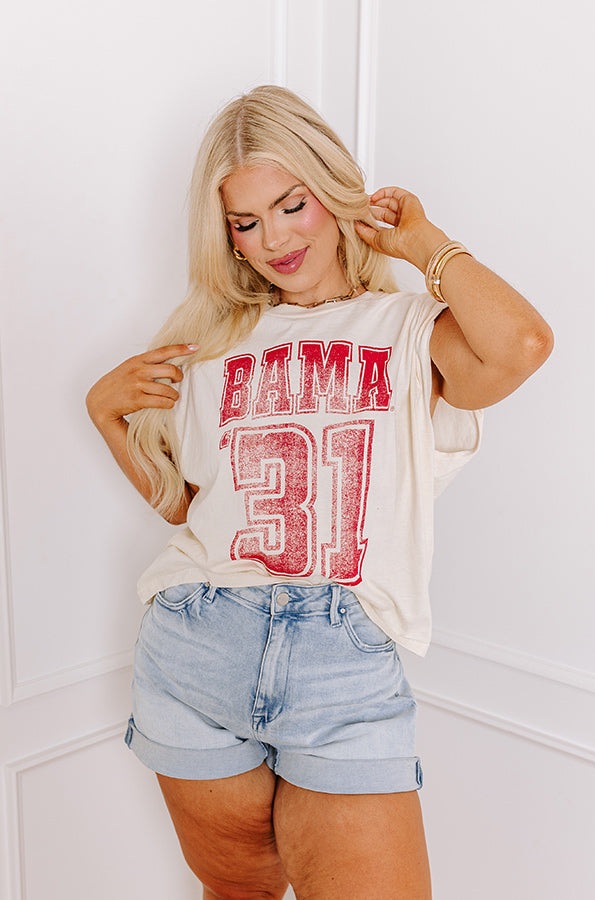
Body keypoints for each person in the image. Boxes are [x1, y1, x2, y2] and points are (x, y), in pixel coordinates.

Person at [86, 85, 553, 899]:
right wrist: (104, 415)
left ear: (334, 193)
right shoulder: (212, 344)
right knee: (238, 893)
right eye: (245, 222)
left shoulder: (410, 330)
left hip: (344, 667)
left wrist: (422, 241)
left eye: (292, 205)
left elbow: (521, 343)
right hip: (197, 648)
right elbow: (195, 511)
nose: (273, 240)